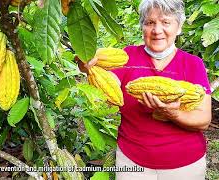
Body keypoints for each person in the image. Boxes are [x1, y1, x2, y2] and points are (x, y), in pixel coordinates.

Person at [78, 0, 211, 179]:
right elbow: (109, 86)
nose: (157, 30)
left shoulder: (193, 64)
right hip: (132, 163)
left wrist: (173, 114)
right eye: (149, 23)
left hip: (184, 165)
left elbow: (203, 120)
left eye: (166, 22)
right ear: (142, 27)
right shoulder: (126, 57)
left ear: (178, 27)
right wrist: (88, 64)